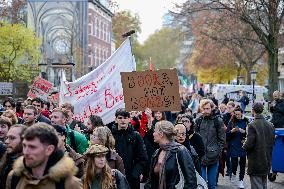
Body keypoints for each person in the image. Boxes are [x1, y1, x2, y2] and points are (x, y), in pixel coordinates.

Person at [6, 122, 82, 189]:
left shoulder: (69, 184)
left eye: (32, 147)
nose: (26, 152)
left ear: (49, 150)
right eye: (24, 146)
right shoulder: (14, 177)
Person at [144, 120, 197, 189]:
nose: (153, 134)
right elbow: (151, 180)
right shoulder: (157, 152)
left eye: (155, 131)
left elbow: (191, 181)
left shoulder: (180, 151)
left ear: (161, 134)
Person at [110, 108, 148, 189]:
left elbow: (143, 158)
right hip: (114, 178)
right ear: (115, 120)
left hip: (132, 179)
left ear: (129, 119)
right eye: (120, 118)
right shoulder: (110, 136)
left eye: (125, 117)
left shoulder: (136, 136)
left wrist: (135, 174)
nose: (122, 120)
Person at [195, 99, 225, 189]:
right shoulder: (198, 120)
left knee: (212, 185)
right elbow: (195, 137)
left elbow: (222, 139)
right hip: (201, 157)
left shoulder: (218, 121)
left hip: (213, 157)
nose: (205, 111)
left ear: (212, 108)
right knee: (202, 184)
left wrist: (218, 152)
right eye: (204, 109)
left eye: (208, 108)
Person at [243, 102, 275, 189]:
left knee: (257, 185)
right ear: (262, 110)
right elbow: (273, 142)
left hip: (256, 161)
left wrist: (243, 145)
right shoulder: (270, 125)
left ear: (253, 111)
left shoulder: (252, 125)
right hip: (267, 160)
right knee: (264, 184)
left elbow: (249, 144)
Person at [226, 107, 248, 188]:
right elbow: (227, 134)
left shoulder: (246, 121)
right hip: (233, 144)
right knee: (234, 163)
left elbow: (250, 133)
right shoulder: (231, 121)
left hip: (242, 144)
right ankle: (234, 173)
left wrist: (244, 132)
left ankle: (241, 180)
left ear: (242, 113)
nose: (237, 116)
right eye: (236, 114)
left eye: (239, 114)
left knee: (242, 163)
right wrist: (232, 131)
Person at [0, 124, 26, 189]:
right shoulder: (7, 157)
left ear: (24, 141)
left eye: (12, 138)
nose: (6, 141)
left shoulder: (27, 167)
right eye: (7, 138)